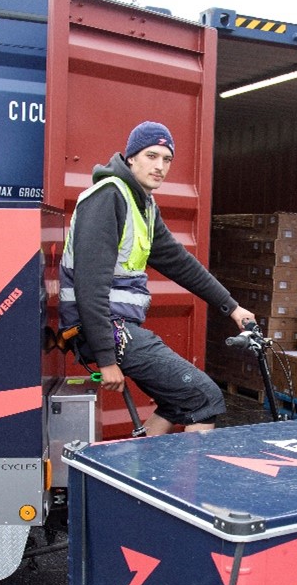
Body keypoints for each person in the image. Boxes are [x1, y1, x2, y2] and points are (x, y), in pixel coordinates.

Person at [58, 121, 255, 435]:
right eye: (151, 156)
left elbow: (179, 262)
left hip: (118, 327)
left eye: (167, 159)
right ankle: (189, 484)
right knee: (204, 397)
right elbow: (89, 285)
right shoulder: (108, 197)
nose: (160, 166)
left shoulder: (144, 205)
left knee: (178, 399)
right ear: (131, 157)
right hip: (103, 329)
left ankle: (137, 474)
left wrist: (232, 307)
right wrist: (107, 358)